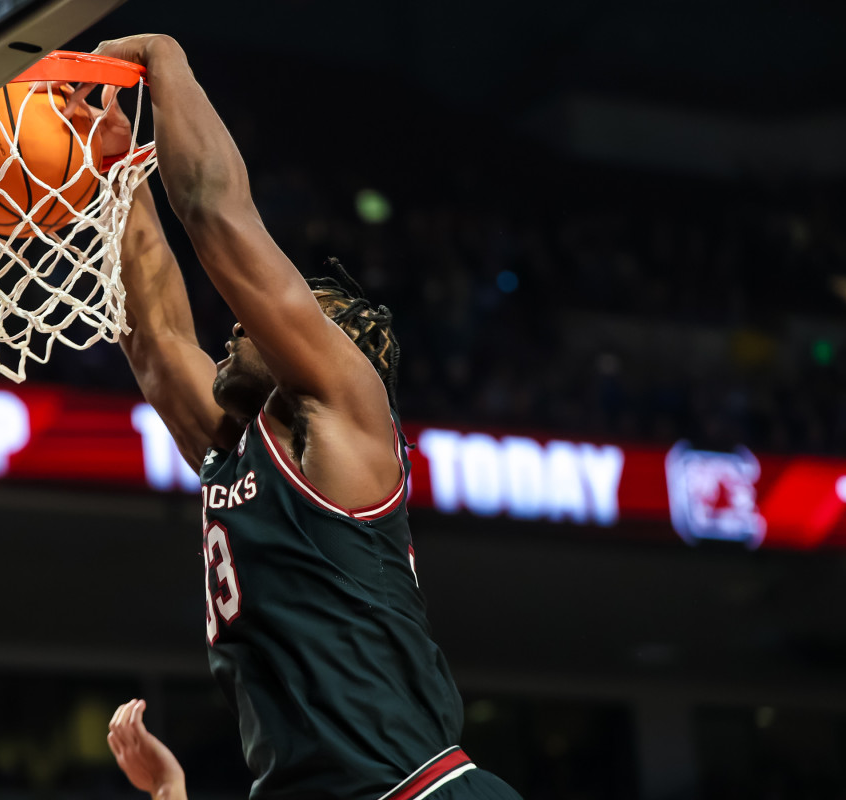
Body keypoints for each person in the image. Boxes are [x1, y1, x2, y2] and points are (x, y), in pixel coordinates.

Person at [79, 33, 523, 800]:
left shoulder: (348, 410)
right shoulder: (235, 450)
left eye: (281, 313)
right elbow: (154, 340)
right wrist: (116, 176)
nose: (239, 323)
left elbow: (217, 216)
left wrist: (166, 59)